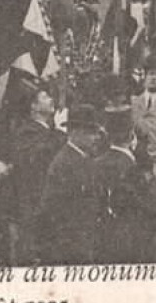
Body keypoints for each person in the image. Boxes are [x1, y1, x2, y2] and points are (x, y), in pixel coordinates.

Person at [0, 86, 66, 265]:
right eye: (45, 96)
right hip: (34, 206)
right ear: (33, 107)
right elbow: (38, 160)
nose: (51, 99)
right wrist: (59, 131)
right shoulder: (27, 132)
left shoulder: (47, 132)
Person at [36, 104, 105, 266]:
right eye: (90, 133)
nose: (96, 138)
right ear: (74, 133)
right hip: (70, 251)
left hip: (83, 245)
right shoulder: (64, 164)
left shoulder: (82, 158)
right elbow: (52, 212)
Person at [96, 105, 156, 264]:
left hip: (105, 243)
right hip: (137, 244)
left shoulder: (97, 163)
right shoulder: (135, 167)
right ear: (132, 135)